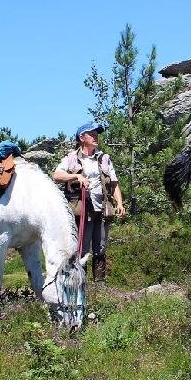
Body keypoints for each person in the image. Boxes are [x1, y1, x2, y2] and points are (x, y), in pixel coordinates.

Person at [53, 121, 125, 282]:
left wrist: (119, 203)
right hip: (82, 212)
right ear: (81, 138)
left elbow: (114, 184)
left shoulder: (104, 158)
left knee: (100, 248)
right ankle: (81, 285)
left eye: (96, 134)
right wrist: (76, 176)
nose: (95, 136)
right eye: (91, 134)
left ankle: (100, 286)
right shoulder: (71, 158)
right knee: (82, 250)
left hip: (102, 210)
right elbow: (56, 175)